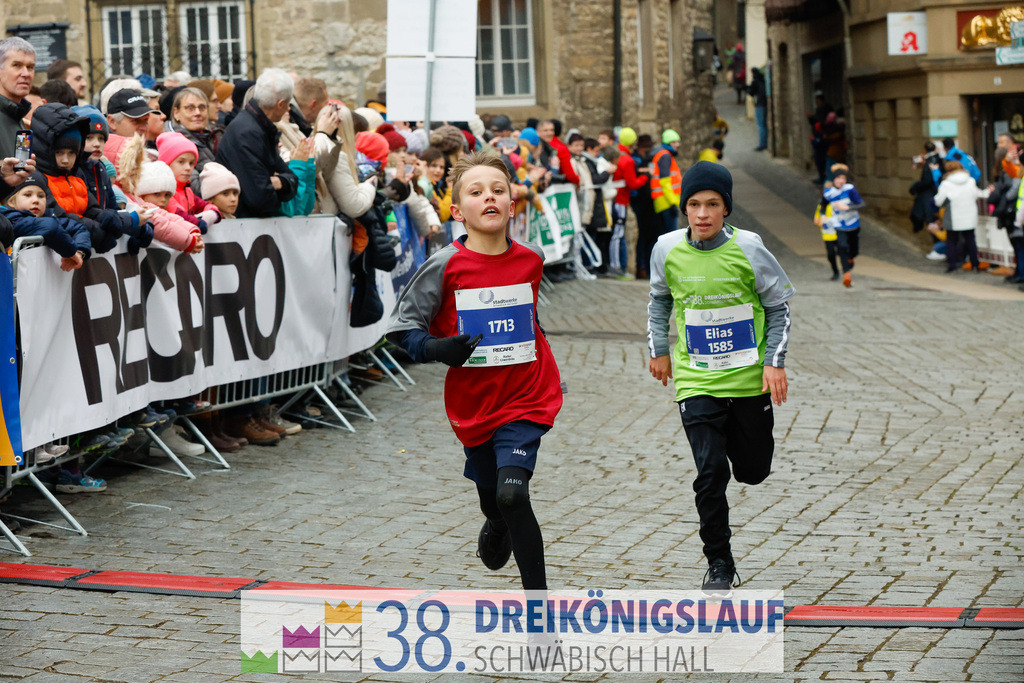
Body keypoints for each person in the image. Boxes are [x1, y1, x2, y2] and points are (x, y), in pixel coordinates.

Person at [386, 151, 563, 591]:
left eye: (498, 191)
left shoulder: (531, 260)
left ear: (511, 204)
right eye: (476, 191)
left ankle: (539, 619)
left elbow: (528, 321)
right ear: (457, 211)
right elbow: (402, 331)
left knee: (513, 494)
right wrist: (438, 348)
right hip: (475, 405)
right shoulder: (444, 265)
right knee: (494, 500)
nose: (489, 198)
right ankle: (497, 524)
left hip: (527, 395)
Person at [646, 160, 794, 596]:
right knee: (710, 471)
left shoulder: (749, 248)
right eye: (694, 204)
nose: (703, 214)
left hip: (750, 381)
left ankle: (737, 437)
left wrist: (775, 361)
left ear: (726, 208)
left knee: (751, 471)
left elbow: (779, 306)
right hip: (697, 379)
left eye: (712, 204)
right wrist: (658, 350)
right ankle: (719, 564)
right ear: (684, 209)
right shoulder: (666, 249)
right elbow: (658, 300)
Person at [215, 69, 298, 218]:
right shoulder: (248, 132)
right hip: (244, 226)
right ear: (280, 104)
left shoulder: (260, 127)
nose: (289, 109)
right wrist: (280, 184)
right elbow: (260, 199)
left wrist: (280, 182)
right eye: (288, 104)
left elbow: (292, 179)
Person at [2, 172, 91, 269]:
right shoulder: (9, 218)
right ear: (12, 201)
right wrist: (71, 252)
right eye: (28, 195)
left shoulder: (51, 217)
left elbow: (79, 228)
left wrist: (80, 251)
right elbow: (50, 227)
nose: (36, 200)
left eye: (41, 196)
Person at [932, 160, 991, 273]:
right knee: (970, 240)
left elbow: (939, 201)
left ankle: (952, 265)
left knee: (951, 241)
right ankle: (975, 264)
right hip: (969, 214)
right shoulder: (970, 181)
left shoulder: (946, 184)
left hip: (954, 216)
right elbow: (977, 194)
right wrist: (988, 191)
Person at [611, 127, 649, 278]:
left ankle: (619, 266)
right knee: (619, 234)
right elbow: (632, 183)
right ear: (632, 143)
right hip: (621, 200)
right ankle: (617, 267)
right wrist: (645, 176)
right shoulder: (627, 159)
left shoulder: (616, 153)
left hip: (615, 198)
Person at [822, 164, 864, 288]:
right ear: (834, 179)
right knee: (842, 247)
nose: (841, 181)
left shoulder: (850, 189)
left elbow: (861, 203)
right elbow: (823, 205)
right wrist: (823, 215)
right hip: (839, 224)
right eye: (838, 178)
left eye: (843, 178)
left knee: (854, 250)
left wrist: (848, 207)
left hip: (853, 223)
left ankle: (851, 259)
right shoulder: (829, 193)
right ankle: (846, 275)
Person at [0, 37, 36, 160]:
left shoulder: (18, 115)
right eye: (16, 65)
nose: (26, 73)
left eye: (30, 67)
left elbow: (21, 169)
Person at [910, 141, 943, 260]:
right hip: (933, 195)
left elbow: (927, 180)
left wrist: (915, 187)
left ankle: (939, 249)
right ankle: (939, 248)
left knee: (932, 220)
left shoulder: (931, 161)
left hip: (931, 196)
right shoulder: (937, 159)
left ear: (925, 150)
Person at [651, 129, 683, 234]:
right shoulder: (665, 156)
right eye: (674, 142)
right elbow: (665, 182)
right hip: (667, 202)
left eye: (678, 142)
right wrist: (673, 202)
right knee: (672, 235)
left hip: (662, 201)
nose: (677, 145)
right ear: (668, 143)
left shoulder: (661, 154)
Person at [748, 68, 768, 151]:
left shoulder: (755, 81)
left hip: (759, 105)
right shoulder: (762, 80)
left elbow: (751, 92)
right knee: (764, 125)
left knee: (761, 125)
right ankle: (764, 143)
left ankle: (762, 144)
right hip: (764, 104)